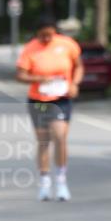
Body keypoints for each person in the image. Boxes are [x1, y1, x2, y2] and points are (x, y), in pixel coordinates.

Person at [16, 17, 83, 202]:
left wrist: (75, 84)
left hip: (61, 98)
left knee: (60, 137)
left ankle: (61, 181)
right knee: (43, 141)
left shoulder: (67, 45)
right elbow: (20, 75)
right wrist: (37, 79)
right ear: (37, 34)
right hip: (38, 99)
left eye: (49, 35)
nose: (46, 39)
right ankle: (45, 181)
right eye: (42, 36)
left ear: (55, 32)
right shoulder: (30, 48)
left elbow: (78, 66)